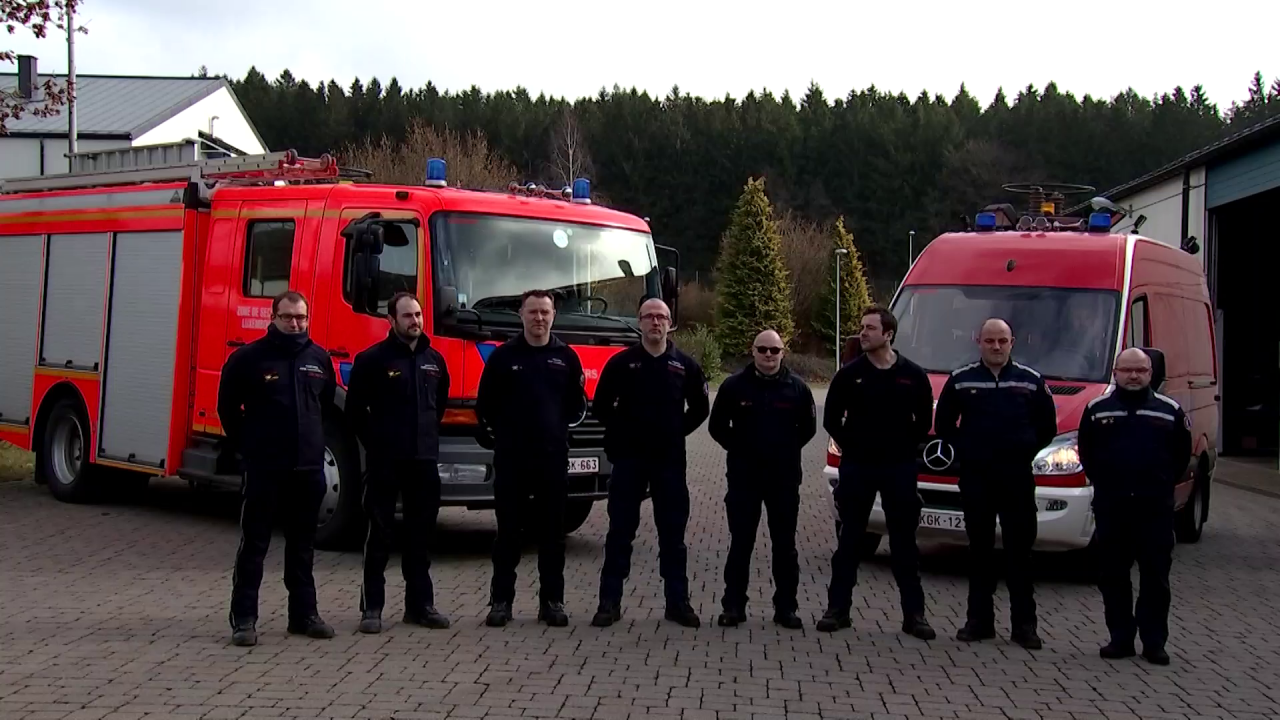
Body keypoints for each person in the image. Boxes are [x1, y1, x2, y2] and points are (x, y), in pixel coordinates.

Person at [218, 290, 337, 647]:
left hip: (308, 470)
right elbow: (227, 409)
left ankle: (304, 615)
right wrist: (250, 447)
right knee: (255, 545)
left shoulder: (319, 359)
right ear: (273, 317)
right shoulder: (248, 359)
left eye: (301, 318)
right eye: (287, 317)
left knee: (302, 546)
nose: (295, 324)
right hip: (266, 469)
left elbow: (325, 405)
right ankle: (244, 619)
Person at [933, 317, 1057, 650]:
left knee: (1020, 553)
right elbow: (944, 423)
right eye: (990, 341)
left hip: (1017, 478)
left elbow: (1047, 426)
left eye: (1002, 341)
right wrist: (967, 451)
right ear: (979, 342)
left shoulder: (1031, 381)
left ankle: (1024, 626)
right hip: (977, 478)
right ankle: (979, 622)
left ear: (1012, 342)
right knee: (980, 552)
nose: (997, 347)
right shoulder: (961, 380)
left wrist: (1024, 447)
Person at [816, 306, 936, 639]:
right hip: (858, 468)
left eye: (870, 328)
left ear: (888, 334)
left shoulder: (913, 376)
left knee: (904, 544)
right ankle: (837, 610)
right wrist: (853, 447)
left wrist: (901, 447)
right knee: (850, 541)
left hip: (898, 468)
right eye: (862, 326)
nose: (863, 332)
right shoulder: (849, 375)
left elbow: (924, 422)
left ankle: (915, 616)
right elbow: (831, 420)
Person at [590, 297, 710, 628]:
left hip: (669, 463)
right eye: (649, 317)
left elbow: (700, 409)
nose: (655, 322)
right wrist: (622, 433)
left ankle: (677, 603)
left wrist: (675, 432)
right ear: (639, 322)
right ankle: (609, 603)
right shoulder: (621, 363)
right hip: (629, 462)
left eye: (662, 317)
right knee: (619, 533)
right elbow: (601, 406)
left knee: (672, 536)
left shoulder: (684, 365)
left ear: (670, 323)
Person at [475, 289, 587, 627]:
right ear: (521, 315)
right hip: (512, 460)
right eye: (533, 311)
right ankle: (501, 603)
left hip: (552, 461)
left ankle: (552, 602)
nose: (539, 318)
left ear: (554, 316)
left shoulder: (566, 358)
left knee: (552, 535)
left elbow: (574, 406)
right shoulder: (503, 357)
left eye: (545, 312)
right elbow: (486, 407)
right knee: (508, 532)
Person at [345, 292, 451, 634]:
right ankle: (372, 608)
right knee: (379, 535)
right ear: (391, 321)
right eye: (406, 316)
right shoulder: (372, 360)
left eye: (418, 314)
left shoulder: (435, 360)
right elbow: (354, 412)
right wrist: (377, 444)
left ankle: (420, 606)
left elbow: (439, 406)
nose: (414, 321)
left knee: (421, 537)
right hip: (385, 463)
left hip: (423, 462)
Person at [1078, 348, 1191, 666]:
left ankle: (1154, 642)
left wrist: (1158, 483)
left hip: (1153, 509)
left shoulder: (1170, 411)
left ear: (1150, 373)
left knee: (1155, 577)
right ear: (1115, 373)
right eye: (1126, 370)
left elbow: (1181, 457)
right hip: (1112, 508)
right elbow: (1086, 451)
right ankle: (1120, 639)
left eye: (1140, 370)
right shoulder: (1097, 409)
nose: (1133, 376)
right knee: (1113, 576)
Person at [708, 329, 816, 629]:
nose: (769, 355)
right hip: (745, 479)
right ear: (752, 351)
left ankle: (786, 608)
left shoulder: (798, 389)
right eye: (763, 349)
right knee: (741, 543)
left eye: (775, 350)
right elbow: (717, 427)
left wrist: (784, 450)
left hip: (783, 479)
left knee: (785, 545)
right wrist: (741, 449)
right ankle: (733, 606)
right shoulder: (733, 387)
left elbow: (808, 429)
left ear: (783, 353)